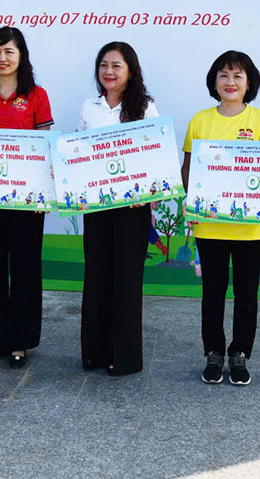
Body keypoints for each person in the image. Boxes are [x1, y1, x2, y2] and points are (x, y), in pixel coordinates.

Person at [181, 50, 260, 385]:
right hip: (209, 226)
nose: (230, 82)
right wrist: (190, 202)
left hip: (252, 229)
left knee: (246, 294)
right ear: (214, 81)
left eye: (238, 76)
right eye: (223, 75)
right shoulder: (200, 120)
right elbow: (188, 168)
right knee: (213, 292)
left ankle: (240, 354)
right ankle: (213, 352)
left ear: (249, 82)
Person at [0, 26, 53, 369]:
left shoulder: (37, 96)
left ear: (21, 57)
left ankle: (20, 341)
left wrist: (42, 193)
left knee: (25, 268)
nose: (2, 58)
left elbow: (44, 146)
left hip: (26, 201)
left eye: (9, 52)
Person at [76, 41, 158, 376]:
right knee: (96, 275)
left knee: (126, 280)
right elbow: (78, 153)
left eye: (116, 66)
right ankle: (93, 353)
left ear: (130, 71)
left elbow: (154, 154)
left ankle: (122, 356)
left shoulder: (145, 107)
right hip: (96, 207)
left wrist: (147, 192)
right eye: (103, 65)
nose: (108, 72)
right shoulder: (90, 107)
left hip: (132, 208)